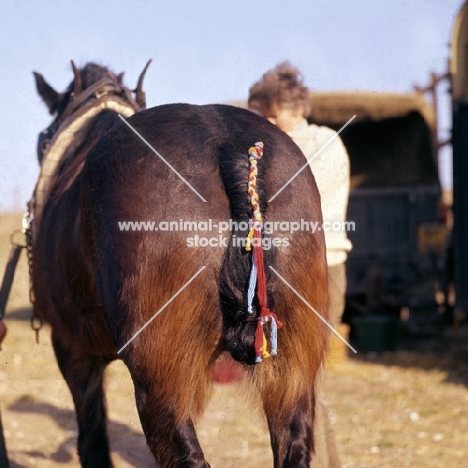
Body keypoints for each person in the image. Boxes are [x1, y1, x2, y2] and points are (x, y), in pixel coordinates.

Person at [248, 61, 353, 468]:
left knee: (302, 388)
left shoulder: (312, 146)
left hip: (313, 273)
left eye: (269, 119)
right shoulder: (310, 144)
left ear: (284, 112)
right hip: (304, 272)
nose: (266, 127)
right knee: (299, 386)